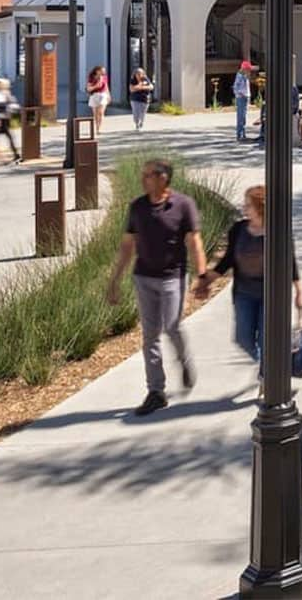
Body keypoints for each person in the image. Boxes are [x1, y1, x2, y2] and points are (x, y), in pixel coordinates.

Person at [106, 159, 204, 416]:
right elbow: (128, 245)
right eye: (143, 174)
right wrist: (115, 280)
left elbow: (194, 241)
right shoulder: (137, 208)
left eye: (148, 175)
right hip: (144, 277)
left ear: (163, 178)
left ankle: (183, 360)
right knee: (150, 335)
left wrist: (202, 275)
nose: (143, 179)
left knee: (172, 326)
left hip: (173, 277)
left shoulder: (183, 205)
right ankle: (156, 391)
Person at [196, 185, 302, 392]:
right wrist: (206, 280)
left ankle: (267, 375)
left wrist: (299, 291)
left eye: (248, 205)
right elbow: (227, 261)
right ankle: (270, 366)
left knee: (266, 339)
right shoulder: (238, 230)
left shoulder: (278, 231)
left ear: (260, 208)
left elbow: (291, 263)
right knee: (243, 338)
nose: (244, 208)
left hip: (270, 295)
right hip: (244, 294)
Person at [0, 77, 21, 164]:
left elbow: (12, 106)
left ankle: (16, 154)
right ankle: (15, 154)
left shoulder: (5, 94)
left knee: (0, 137)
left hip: (3, 119)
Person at [233, 61, 254, 142]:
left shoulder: (244, 76)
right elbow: (236, 87)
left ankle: (243, 134)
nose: (249, 72)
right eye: (248, 70)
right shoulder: (239, 77)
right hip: (241, 98)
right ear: (243, 69)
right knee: (240, 117)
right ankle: (240, 135)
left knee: (244, 117)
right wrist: (241, 94)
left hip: (245, 97)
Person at [86, 65, 110, 133]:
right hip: (94, 95)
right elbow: (88, 88)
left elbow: (106, 86)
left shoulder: (104, 77)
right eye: (102, 71)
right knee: (95, 113)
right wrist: (95, 86)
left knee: (101, 112)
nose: (103, 72)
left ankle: (99, 128)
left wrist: (108, 95)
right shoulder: (91, 77)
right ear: (97, 71)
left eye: (104, 71)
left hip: (103, 95)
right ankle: (96, 127)